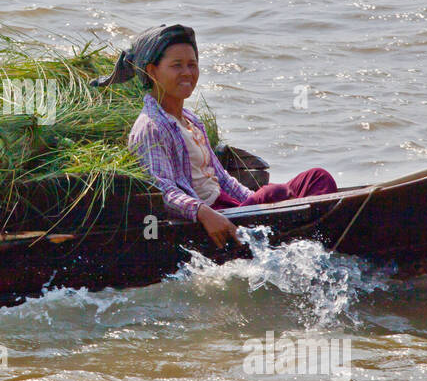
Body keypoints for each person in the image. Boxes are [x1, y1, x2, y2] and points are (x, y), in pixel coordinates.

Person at [96, 24, 337, 248]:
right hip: (210, 216)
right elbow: (163, 190)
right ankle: (310, 238)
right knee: (276, 195)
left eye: (192, 64)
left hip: (229, 208)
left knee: (317, 178)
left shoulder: (190, 120)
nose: (187, 73)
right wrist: (203, 212)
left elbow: (222, 179)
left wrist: (253, 201)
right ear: (153, 72)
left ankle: (312, 237)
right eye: (177, 65)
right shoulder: (151, 127)